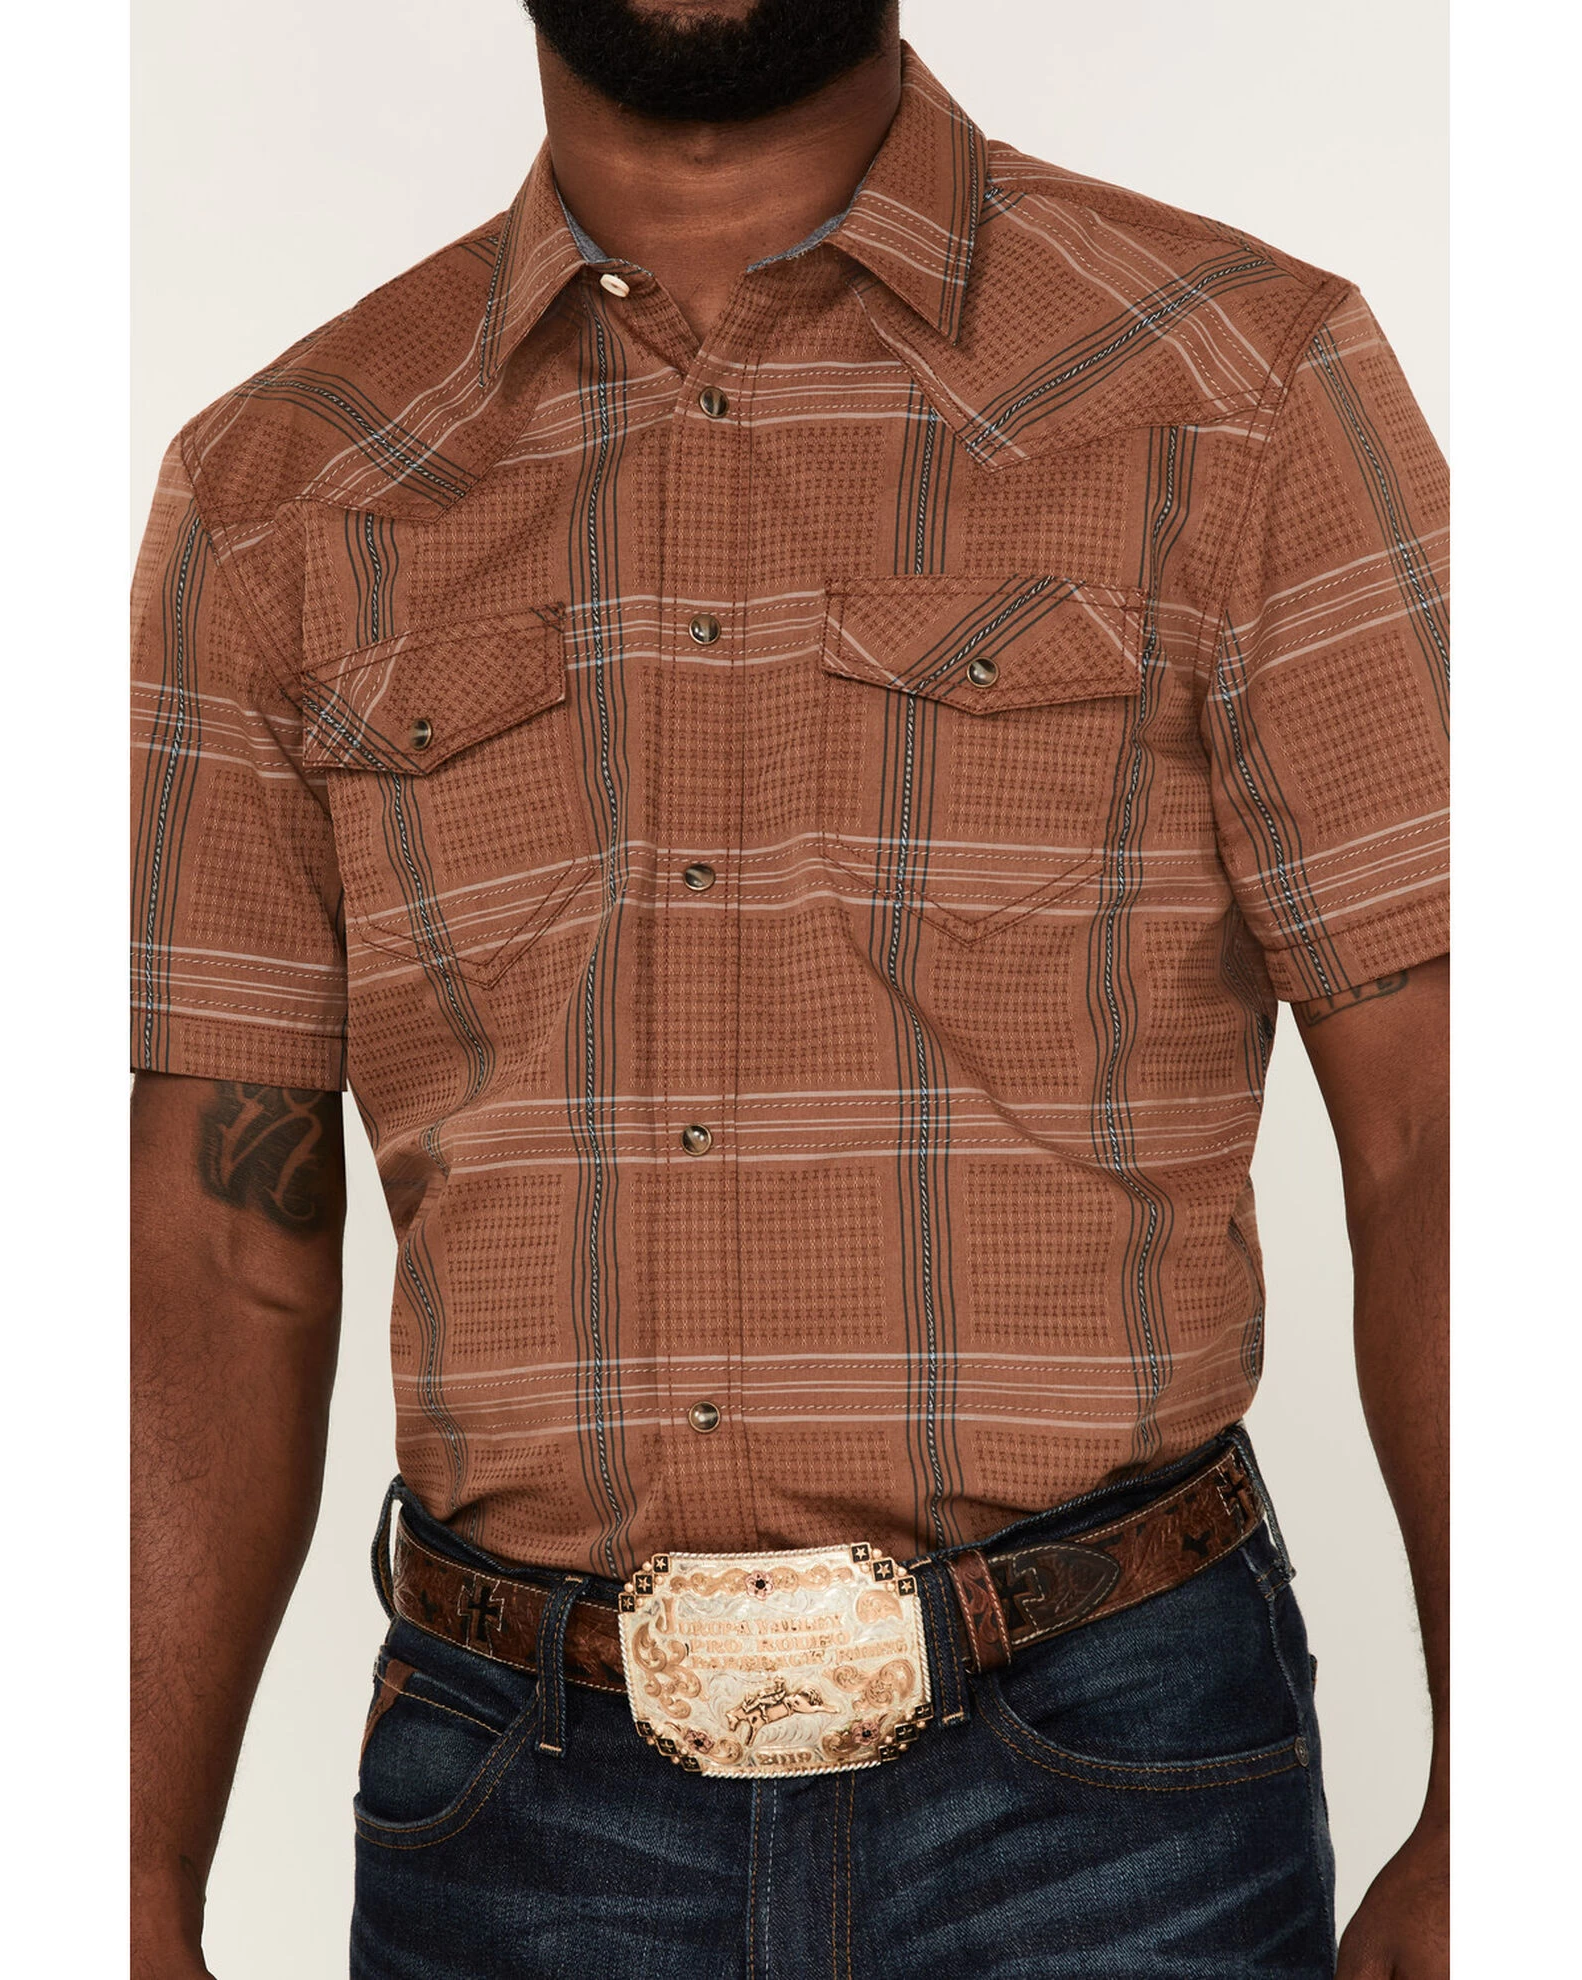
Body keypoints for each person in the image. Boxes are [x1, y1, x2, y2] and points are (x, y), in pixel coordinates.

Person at [129, 3, 1448, 1975]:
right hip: (517, 1826)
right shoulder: (277, 490)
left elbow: (1452, 1128)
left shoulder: (1244, 388)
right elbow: (214, 1245)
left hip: (1112, 1806)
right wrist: (121, 1867)